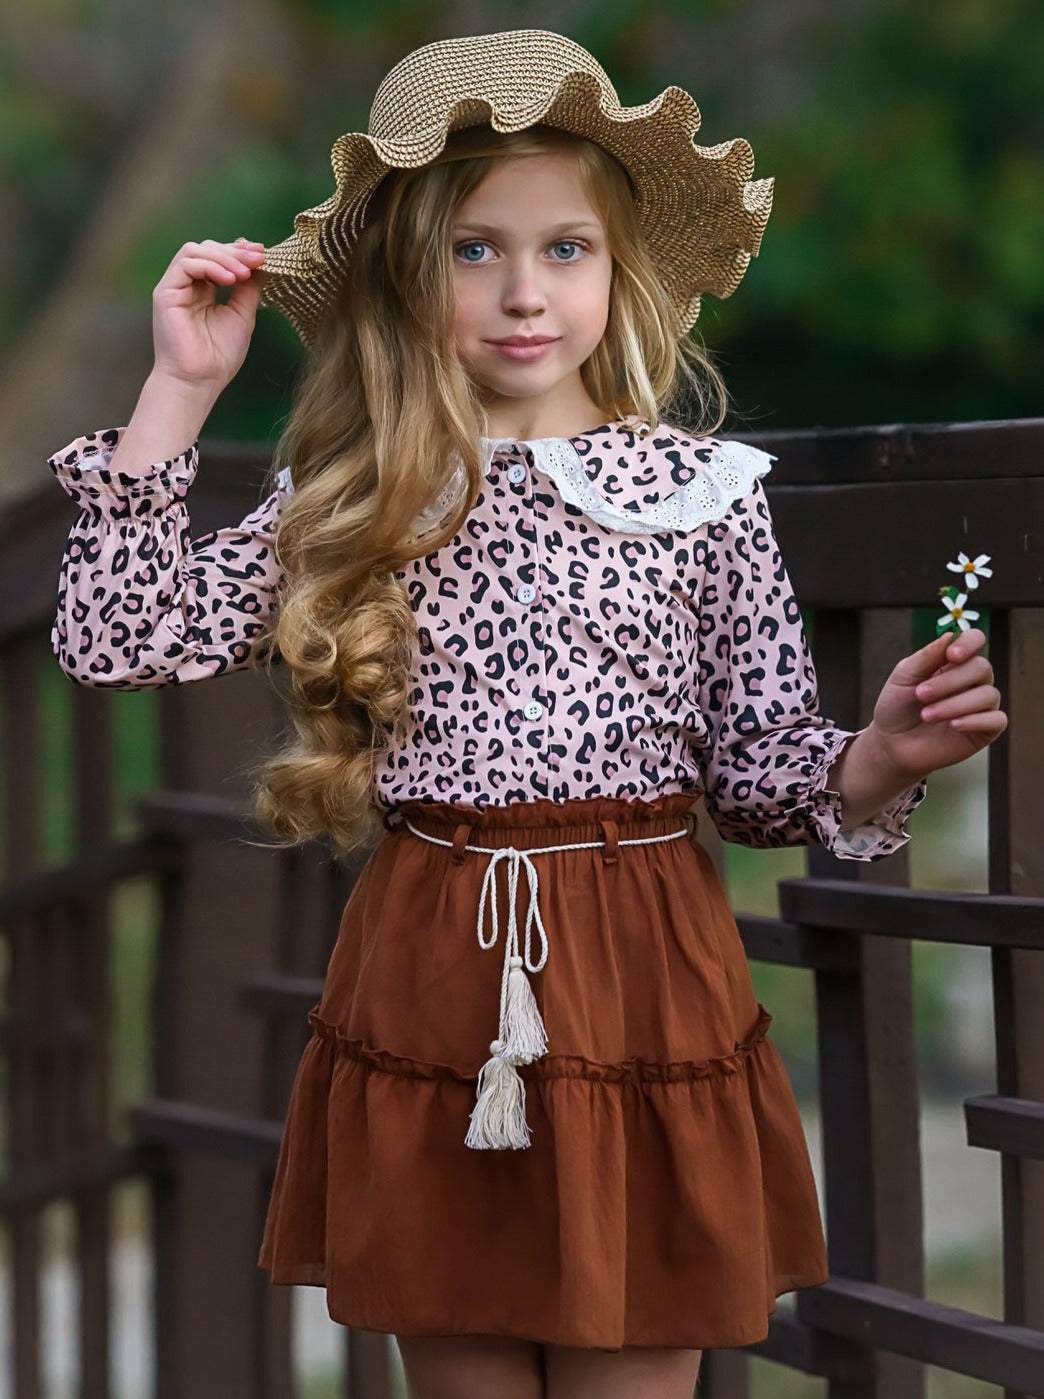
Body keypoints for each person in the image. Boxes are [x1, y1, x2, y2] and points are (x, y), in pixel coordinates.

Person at [47, 29, 1006, 1399]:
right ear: (408, 272)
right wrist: (179, 390)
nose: (523, 292)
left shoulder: (702, 495)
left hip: (645, 965)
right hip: (433, 962)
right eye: (474, 250)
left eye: (565, 249)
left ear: (620, 270)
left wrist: (878, 756)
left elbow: (758, 776)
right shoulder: (362, 490)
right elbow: (114, 637)